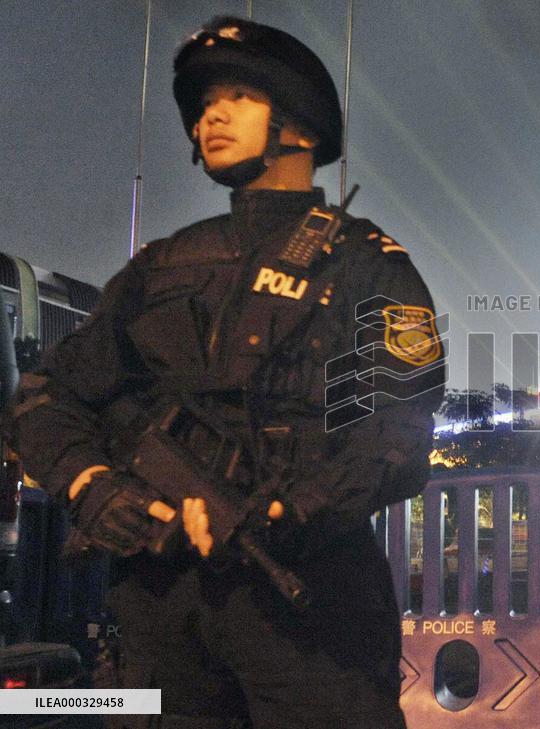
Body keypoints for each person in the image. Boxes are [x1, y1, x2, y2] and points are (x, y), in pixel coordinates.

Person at [4, 15, 445, 729]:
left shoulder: (368, 264)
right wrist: (93, 485)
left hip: (310, 607)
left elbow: (398, 437)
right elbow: (49, 395)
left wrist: (289, 512)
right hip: (159, 608)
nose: (211, 114)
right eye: (206, 102)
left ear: (297, 123)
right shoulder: (159, 266)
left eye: (237, 95)